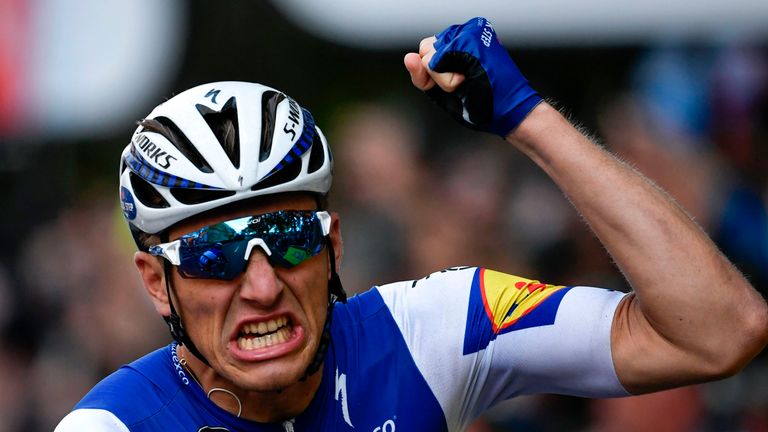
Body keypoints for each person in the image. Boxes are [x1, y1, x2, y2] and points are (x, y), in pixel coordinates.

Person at [56, 17, 768, 431]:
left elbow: (720, 331)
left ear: (332, 245)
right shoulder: (111, 427)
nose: (263, 283)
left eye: (291, 236)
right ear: (157, 283)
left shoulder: (428, 330)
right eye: (216, 253)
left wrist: (531, 121)